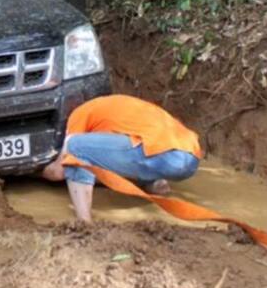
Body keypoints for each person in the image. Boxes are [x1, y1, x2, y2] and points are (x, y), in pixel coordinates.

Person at [42, 94, 202, 223]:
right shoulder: (116, 107)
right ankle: (155, 183)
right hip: (190, 158)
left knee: (76, 146)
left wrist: (38, 171)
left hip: (160, 153)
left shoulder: (80, 113)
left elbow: (60, 170)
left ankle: (84, 223)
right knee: (129, 153)